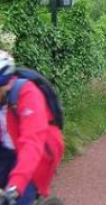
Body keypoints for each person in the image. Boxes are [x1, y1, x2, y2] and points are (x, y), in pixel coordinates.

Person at [0, 50, 64, 205]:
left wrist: (15, 186)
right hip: (5, 150)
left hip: (37, 152)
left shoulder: (28, 93)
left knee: (18, 199)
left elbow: (32, 141)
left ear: (5, 83)